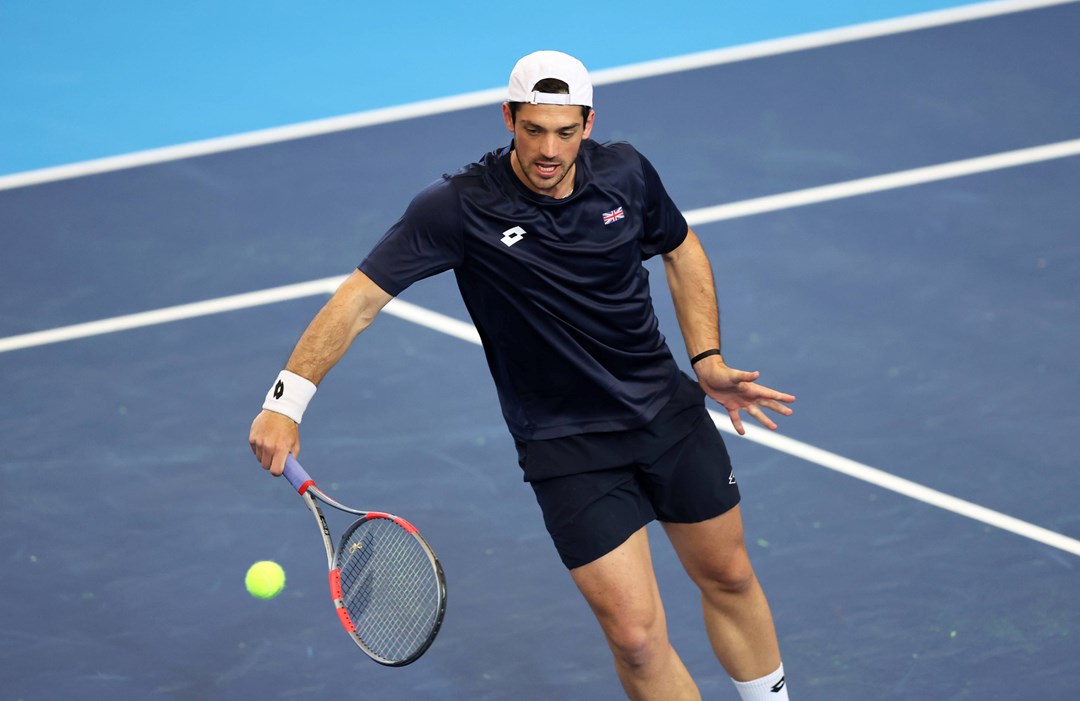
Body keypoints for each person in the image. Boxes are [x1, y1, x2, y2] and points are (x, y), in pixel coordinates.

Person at [249, 50, 795, 700]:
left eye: (565, 131)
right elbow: (358, 301)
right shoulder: (457, 208)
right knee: (636, 638)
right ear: (508, 117)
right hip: (567, 447)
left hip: (666, 417)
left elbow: (680, 246)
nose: (548, 148)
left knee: (729, 575)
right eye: (533, 128)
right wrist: (286, 401)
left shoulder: (627, 175)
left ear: (588, 124)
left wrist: (706, 359)